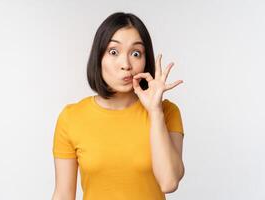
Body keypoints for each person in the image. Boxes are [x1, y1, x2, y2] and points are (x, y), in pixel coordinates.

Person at [51, 12, 185, 200]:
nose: (126, 64)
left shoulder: (167, 112)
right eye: (114, 52)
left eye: (136, 53)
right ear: (98, 57)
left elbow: (169, 182)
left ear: (146, 61)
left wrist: (155, 112)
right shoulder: (71, 118)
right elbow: (63, 194)